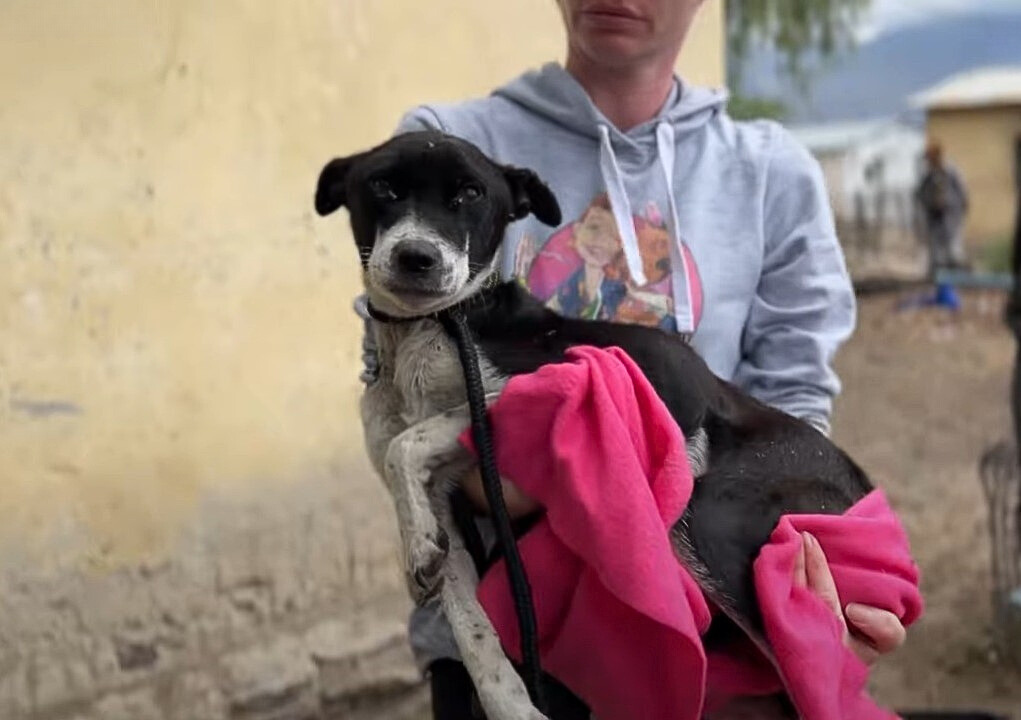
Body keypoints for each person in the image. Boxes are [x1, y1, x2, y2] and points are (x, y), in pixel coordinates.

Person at [357, 1, 908, 716]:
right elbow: (399, 381)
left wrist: (803, 576)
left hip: (704, 642)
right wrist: (546, 473)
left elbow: (791, 404)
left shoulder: (769, 173)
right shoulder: (452, 146)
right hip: (505, 651)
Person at [916, 141, 969, 277]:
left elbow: (962, 192)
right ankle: (937, 277)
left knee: (953, 249)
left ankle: (957, 276)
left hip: (950, 216)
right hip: (934, 217)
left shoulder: (950, 171)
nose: (930, 161)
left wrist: (958, 208)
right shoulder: (928, 175)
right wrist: (930, 203)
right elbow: (920, 194)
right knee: (936, 252)